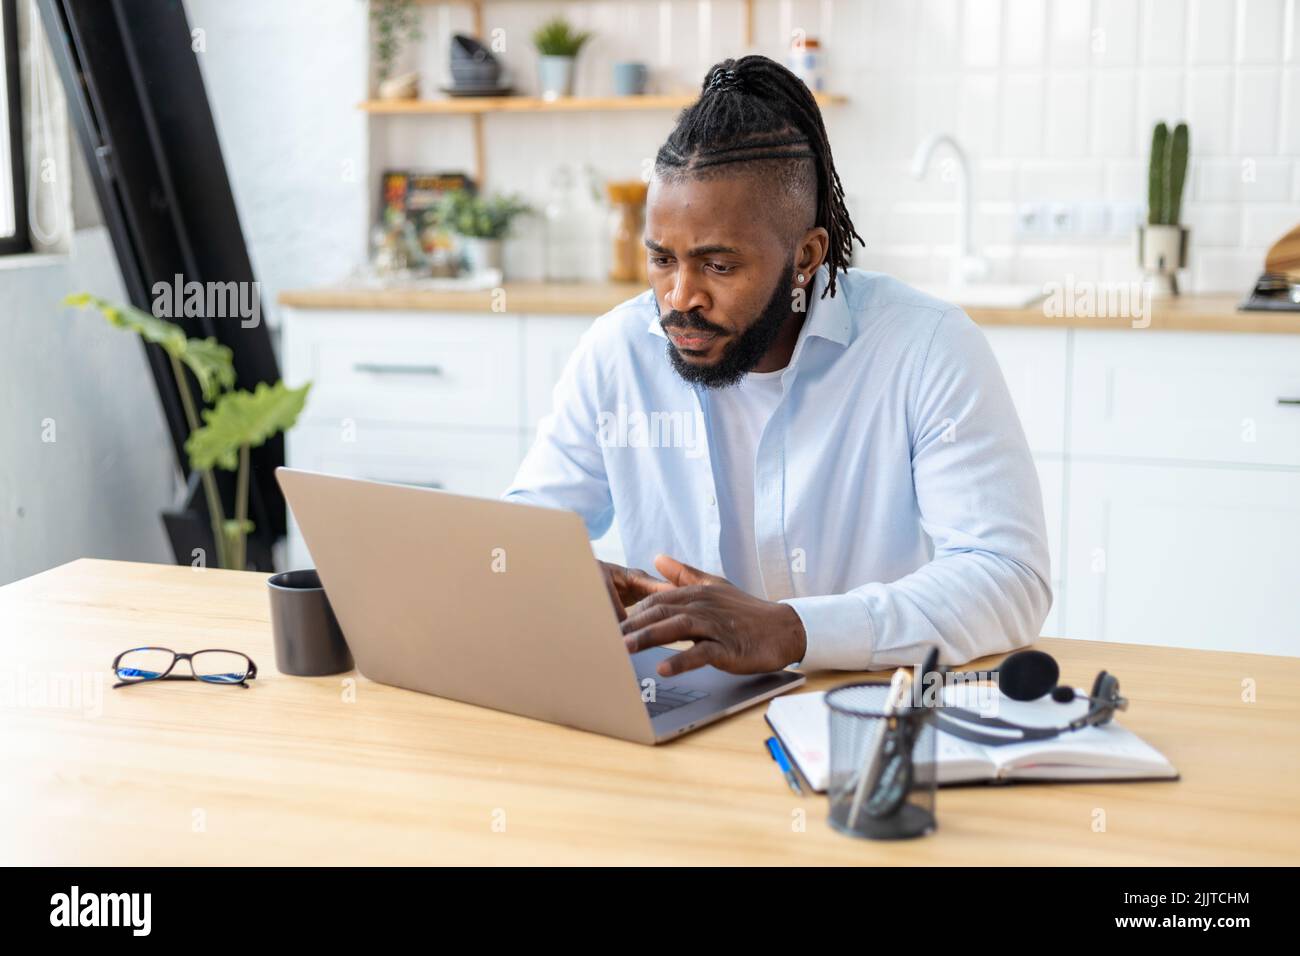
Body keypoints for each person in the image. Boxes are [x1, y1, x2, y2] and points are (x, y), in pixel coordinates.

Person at [503, 55, 1051, 679]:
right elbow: (523, 526)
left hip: (857, 706)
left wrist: (794, 629)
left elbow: (1008, 575)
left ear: (806, 257)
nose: (679, 298)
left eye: (718, 265)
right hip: (677, 701)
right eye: (662, 260)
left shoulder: (925, 347)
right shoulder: (617, 351)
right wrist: (556, 570)